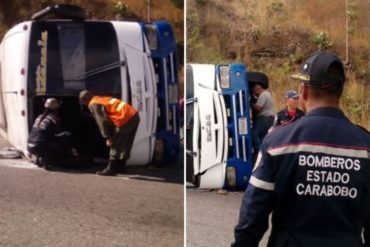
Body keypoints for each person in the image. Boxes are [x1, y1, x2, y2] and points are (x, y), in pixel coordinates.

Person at [232, 51, 369, 246]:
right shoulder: (365, 146)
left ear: (303, 91)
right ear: (340, 92)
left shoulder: (278, 142)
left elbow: (253, 211)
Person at [79, 90, 140, 176]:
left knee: (115, 143)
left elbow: (102, 122)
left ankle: (111, 168)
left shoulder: (93, 104)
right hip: (134, 115)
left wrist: (108, 137)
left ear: (84, 101)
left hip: (123, 119)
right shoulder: (99, 98)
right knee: (127, 142)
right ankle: (121, 166)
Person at [28, 98, 73, 169]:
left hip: (30, 145)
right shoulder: (54, 119)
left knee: (46, 140)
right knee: (62, 143)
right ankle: (48, 160)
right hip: (41, 147)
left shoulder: (39, 117)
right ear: (56, 109)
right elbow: (60, 136)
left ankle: (39, 157)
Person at [251, 83, 275, 157]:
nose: (255, 95)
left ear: (257, 90)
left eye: (255, 93)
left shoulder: (263, 95)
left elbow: (258, 107)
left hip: (264, 118)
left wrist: (250, 103)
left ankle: (260, 151)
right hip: (270, 118)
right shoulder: (268, 94)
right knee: (263, 136)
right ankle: (265, 153)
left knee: (253, 134)